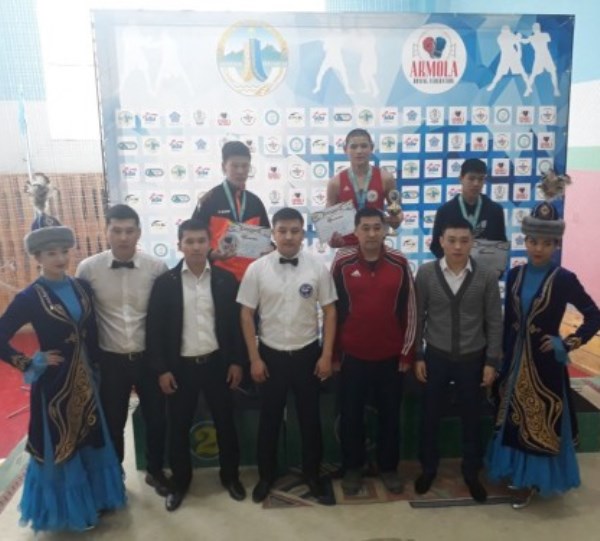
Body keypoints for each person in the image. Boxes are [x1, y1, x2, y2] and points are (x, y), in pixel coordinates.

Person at [0, 225, 126, 532]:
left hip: (90, 378)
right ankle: (70, 511)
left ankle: (97, 499)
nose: (60, 258)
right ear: (37, 258)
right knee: (63, 442)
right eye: (51, 253)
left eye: (64, 251)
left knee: (92, 437)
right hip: (55, 385)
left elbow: (93, 330)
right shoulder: (30, 297)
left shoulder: (82, 287)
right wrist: (31, 361)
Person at [487, 202, 600, 509]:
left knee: (538, 418)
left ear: (555, 245)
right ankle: (516, 473)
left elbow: (594, 314)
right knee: (512, 416)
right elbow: (509, 320)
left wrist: (568, 343)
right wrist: (501, 357)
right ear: (525, 241)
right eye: (533, 241)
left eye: (547, 243)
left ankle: (533, 480)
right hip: (514, 361)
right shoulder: (515, 275)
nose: (539, 248)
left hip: (544, 365)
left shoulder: (564, 279)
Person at [237, 207, 337, 503]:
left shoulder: (317, 267)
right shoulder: (257, 269)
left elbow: (331, 312)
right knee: (269, 420)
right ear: (273, 233)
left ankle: (312, 474)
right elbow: (246, 314)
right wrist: (254, 358)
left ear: (303, 233)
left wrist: (326, 355)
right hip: (270, 356)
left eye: (294, 231)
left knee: (310, 420)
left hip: (308, 354)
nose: (289, 236)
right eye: (282, 231)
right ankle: (266, 476)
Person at [146, 219, 246, 511]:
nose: (195, 247)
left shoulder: (226, 280)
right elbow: (154, 331)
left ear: (210, 243)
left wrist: (237, 362)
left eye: (201, 240)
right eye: (189, 241)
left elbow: (236, 327)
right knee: (178, 428)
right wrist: (162, 370)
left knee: (226, 424)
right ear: (179, 245)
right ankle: (180, 482)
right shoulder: (165, 283)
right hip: (181, 368)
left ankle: (230, 477)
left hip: (217, 364)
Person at [76, 204, 170, 496]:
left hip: (148, 358)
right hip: (110, 360)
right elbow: (80, 317)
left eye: (129, 231)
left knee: (156, 419)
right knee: (113, 423)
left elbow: (166, 318)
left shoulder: (157, 268)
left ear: (139, 233)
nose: (123, 237)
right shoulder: (88, 269)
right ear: (106, 232)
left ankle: (155, 471)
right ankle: (114, 477)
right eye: (116, 231)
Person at [414, 218, 503, 503]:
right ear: (441, 241)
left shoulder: (486, 275)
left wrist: (491, 362)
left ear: (472, 242)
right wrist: (418, 354)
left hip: (472, 359)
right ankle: (428, 468)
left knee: (472, 418)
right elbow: (417, 317)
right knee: (430, 416)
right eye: (451, 240)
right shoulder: (426, 274)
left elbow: (495, 321)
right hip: (436, 356)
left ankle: (471, 472)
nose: (457, 246)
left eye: (464, 241)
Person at [331, 207, 416, 495]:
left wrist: (407, 353)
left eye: (377, 227)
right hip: (352, 356)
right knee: (351, 416)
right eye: (365, 228)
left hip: (391, 357)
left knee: (390, 417)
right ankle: (352, 467)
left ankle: (389, 468)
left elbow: (410, 310)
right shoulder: (341, 262)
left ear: (385, 230)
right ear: (355, 232)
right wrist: (333, 354)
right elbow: (333, 311)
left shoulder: (400, 262)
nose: (371, 233)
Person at [192, 140, 270, 282]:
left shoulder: (255, 202)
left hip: (251, 278)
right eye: (235, 166)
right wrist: (212, 254)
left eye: (245, 166)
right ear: (224, 167)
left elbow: (266, 241)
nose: (240, 171)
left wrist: (271, 248)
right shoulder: (209, 200)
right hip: (218, 278)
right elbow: (193, 238)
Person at [326, 129, 402, 247]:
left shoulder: (386, 178)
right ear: (345, 149)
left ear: (371, 148)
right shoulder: (335, 183)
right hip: (347, 248)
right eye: (354, 147)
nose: (359, 151)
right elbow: (327, 223)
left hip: (375, 246)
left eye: (364, 146)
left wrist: (396, 219)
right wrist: (331, 239)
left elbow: (397, 212)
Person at [429, 158, 506, 259]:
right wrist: (454, 264)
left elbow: (501, 245)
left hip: (485, 267)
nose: (476, 183)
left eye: (480, 179)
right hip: (454, 267)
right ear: (461, 178)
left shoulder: (495, 211)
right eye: (471, 178)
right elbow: (436, 246)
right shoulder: (445, 211)